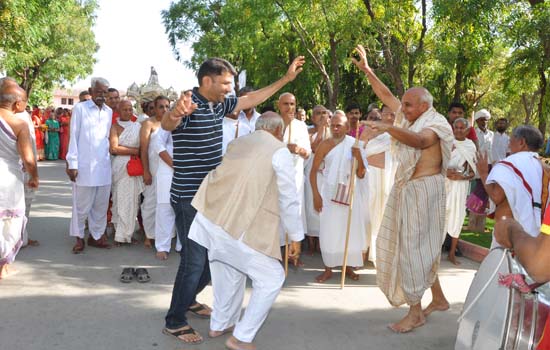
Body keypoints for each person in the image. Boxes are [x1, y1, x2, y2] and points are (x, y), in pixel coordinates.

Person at [161, 56, 305, 344]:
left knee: (209, 259)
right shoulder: (190, 105)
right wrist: (175, 113)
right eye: (226, 83)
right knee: (195, 261)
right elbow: (168, 124)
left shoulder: (219, 104)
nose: (231, 89)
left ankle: (187, 300)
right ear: (207, 81)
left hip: (213, 196)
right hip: (189, 198)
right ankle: (174, 321)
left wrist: (286, 80)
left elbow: (250, 98)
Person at [352, 44, 454, 332]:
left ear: (424, 106)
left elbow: (421, 141)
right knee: (423, 247)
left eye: (408, 105)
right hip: (408, 189)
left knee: (413, 250)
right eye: (404, 104)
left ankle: (415, 312)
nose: (401, 109)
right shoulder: (411, 116)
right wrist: (368, 69)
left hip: (424, 191)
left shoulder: (435, 123)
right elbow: (385, 95)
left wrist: (387, 129)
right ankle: (440, 298)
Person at [189, 112, 303, 350]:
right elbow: (289, 197)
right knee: (273, 277)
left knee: (228, 272)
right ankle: (240, 338)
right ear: (278, 131)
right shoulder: (279, 150)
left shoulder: (238, 142)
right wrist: (295, 236)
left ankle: (219, 324)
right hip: (237, 226)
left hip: (211, 220)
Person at [310, 113, 368, 283]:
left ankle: (347, 266)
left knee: (348, 231)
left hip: (350, 193)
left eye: (339, 126)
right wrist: (316, 195)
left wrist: (358, 157)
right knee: (329, 231)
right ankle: (328, 268)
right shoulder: (324, 145)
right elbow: (313, 172)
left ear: (347, 128)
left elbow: (361, 174)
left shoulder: (355, 145)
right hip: (329, 194)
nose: (335, 129)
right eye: (333, 125)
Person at [67, 77, 113, 253]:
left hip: (103, 166)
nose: (102, 95)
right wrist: (72, 162)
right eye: (99, 91)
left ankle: (96, 236)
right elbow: (73, 136)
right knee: (81, 206)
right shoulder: (80, 109)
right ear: (91, 91)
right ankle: (79, 238)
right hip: (84, 166)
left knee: (100, 205)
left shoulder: (108, 111)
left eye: (104, 92)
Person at [477, 125, 545, 244]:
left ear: (522, 142)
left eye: (511, 140)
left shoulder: (510, 164)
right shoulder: (544, 168)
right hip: (535, 237)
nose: (508, 145)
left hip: (510, 237)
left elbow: (496, 196)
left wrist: (483, 174)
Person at [0, 77, 39, 279]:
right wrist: (35, 177)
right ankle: (3, 266)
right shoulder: (19, 123)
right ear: (17, 103)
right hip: (8, 178)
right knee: (10, 221)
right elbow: (29, 159)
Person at [359, 104, 396, 266]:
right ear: (381, 114)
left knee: (385, 219)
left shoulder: (399, 135)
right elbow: (358, 152)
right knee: (367, 216)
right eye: (387, 113)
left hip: (390, 181)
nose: (390, 117)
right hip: (370, 181)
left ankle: (382, 255)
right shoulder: (371, 133)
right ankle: (363, 251)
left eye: (393, 114)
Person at [278, 92, 311, 258]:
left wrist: (299, 150)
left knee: (294, 212)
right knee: (276, 215)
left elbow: (308, 154)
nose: (290, 107)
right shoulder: (273, 123)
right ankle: (277, 252)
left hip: (295, 177)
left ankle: (293, 252)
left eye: (292, 104)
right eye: (286, 104)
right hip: (275, 178)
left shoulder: (300, 126)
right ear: (279, 105)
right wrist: (285, 148)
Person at [109, 100, 144, 245]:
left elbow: (143, 145)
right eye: (125, 109)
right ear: (118, 110)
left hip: (134, 167)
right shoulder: (114, 126)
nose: (128, 112)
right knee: (119, 199)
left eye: (130, 109)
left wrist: (124, 148)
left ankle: (127, 233)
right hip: (120, 167)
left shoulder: (137, 126)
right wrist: (135, 151)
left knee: (132, 202)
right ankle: (119, 234)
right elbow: (114, 149)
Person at [444, 118, 476, 265]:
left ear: (467, 130)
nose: (458, 130)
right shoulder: (446, 142)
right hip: (444, 185)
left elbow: (472, 172)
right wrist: (446, 172)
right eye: (456, 127)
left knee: (457, 218)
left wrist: (461, 177)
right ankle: (434, 254)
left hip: (460, 187)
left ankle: (452, 253)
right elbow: (437, 163)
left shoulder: (470, 146)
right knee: (440, 217)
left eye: (461, 128)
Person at [140, 95, 170, 249]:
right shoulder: (148, 123)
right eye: (161, 106)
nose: (164, 109)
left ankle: (166, 236)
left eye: (167, 106)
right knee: (150, 202)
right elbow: (144, 149)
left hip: (169, 169)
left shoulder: (173, 122)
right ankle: (149, 234)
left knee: (166, 203)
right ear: (155, 107)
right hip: (153, 167)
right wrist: (146, 171)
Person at [304, 105, 330, 255]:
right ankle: (311, 243)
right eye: (318, 114)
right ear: (312, 117)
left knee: (324, 207)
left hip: (326, 175)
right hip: (312, 173)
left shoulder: (333, 132)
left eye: (324, 113)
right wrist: (320, 129)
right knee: (310, 206)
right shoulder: (308, 132)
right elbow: (314, 148)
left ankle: (322, 241)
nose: (321, 116)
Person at [151, 127, 178, 260]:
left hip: (190, 169)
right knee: (165, 208)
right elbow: (157, 143)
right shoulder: (170, 122)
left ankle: (182, 245)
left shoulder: (197, 119)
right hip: (168, 169)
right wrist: (173, 164)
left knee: (186, 208)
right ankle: (162, 247)